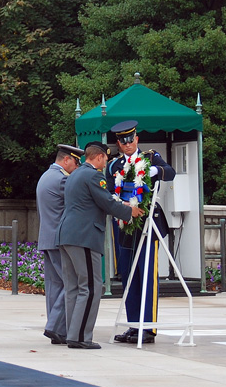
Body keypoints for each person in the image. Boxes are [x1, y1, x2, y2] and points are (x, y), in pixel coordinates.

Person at [55, 142, 143, 349]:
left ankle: (72, 333)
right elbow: (106, 202)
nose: (106, 163)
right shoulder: (94, 175)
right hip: (83, 237)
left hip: (67, 235)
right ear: (100, 157)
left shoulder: (75, 174)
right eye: (106, 158)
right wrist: (130, 212)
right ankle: (80, 337)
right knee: (91, 288)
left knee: (73, 288)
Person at [105, 120, 176, 345]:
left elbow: (170, 172)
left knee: (147, 276)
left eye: (131, 139)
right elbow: (110, 192)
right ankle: (134, 325)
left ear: (137, 139)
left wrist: (155, 170)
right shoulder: (114, 166)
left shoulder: (150, 158)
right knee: (128, 276)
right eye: (123, 141)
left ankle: (148, 327)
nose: (128, 144)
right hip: (124, 225)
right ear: (118, 143)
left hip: (147, 224)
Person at [36, 144, 84, 344]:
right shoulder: (62, 180)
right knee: (71, 283)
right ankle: (55, 326)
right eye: (76, 162)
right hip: (59, 241)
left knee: (56, 285)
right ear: (66, 160)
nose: (77, 167)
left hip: (47, 238)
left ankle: (58, 330)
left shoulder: (46, 177)